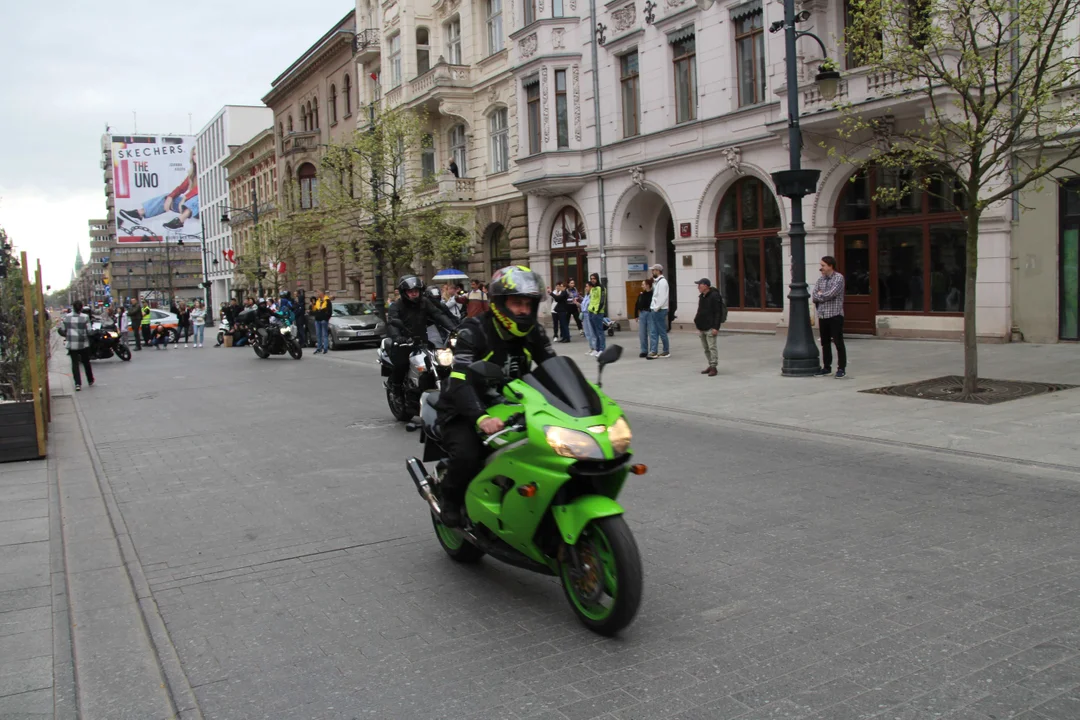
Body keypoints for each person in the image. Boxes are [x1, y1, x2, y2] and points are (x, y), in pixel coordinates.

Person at [435, 266, 556, 527]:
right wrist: (480, 418)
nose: (524, 310)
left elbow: (553, 369)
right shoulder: (474, 331)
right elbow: (459, 380)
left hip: (511, 407)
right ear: (500, 304)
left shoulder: (533, 331)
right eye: (517, 303)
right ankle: (450, 499)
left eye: (528, 304)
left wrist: (583, 401)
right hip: (464, 409)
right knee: (467, 455)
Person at [387, 276, 458, 394]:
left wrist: (454, 329)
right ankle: (396, 388)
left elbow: (438, 315)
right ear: (404, 293)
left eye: (416, 291)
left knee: (440, 362)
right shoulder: (396, 306)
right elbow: (392, 323)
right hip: (404, 342)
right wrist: (398, 338)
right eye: (410, 291)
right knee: (402, 364)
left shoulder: (425, 302)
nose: (414, 294)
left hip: (423, 340)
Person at [118, 146, 199, 231]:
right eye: (194, 154)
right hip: (191, 207)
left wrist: (186, 197)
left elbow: (201, 188)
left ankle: (180, 221)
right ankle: (139, 214)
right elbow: (181, 188)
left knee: (199, 198)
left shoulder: (210, 170)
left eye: (198, 154)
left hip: (203, 208)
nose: (196, 156)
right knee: (167, 197)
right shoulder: (193, 174)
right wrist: (170, 197)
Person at [813, 255, 847, 378]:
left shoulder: (838, 278)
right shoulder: (820, 280)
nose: (821, 269)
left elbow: (831, 294)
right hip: (822, 315)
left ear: (830, 266)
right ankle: (827, 367)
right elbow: (814, 295)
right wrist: (821, 295)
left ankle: (841, 368)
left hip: (835, 315)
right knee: (825, 343)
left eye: (823, 266)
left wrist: (821, 295)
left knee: (838, 342)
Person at [59, 301, 94, 391]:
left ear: (73, 307)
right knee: (86, 362)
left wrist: (67, 334)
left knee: (75, 364)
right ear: (81, 308)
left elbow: (62, 329)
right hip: (83, 343)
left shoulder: (67, 317)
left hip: (72, 343)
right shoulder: (85, 317)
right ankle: (90, 379)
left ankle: (78, 384)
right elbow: (89, 331)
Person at [693, 278, 725, 377]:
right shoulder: (702, 296)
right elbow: (700, 311)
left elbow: (718, 313)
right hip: (702, 326)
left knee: (712, 347)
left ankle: (714, 366)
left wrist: (716, 327)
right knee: (706, 348)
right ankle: (710, 364)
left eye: (700, 285)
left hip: (710, 326)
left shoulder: (714, 296)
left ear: (706, 286)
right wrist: (697, 323)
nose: (698, 287)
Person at [648, 264, 671, 359]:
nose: (652, 272)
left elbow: (662, 297)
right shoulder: (658, 282)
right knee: (657, 330)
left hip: (659, 309)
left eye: (653, 270)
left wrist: (656, 308)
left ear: (658, 271)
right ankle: (658, 350)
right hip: (658, 309)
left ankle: (660, 351)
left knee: (658, 331)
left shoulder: (662, 282)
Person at [586, 275, 606, 356]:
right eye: (591, 279)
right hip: (591, 311)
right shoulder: (592, 289)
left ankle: (602, 349)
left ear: (597, 279)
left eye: (594, 278)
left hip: (597, 312)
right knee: (594, 332)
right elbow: (591, 300)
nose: (592, 280)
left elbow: (602, 300)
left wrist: (597, 311)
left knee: (599, 331)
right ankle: (597, 349)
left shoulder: (601, 288)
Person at [636, 278, 654, 358]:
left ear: (647, 285)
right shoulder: (641, 294)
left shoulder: (653, 294)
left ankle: (652, 350)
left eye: (643, 284)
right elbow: (636, 305)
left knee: (651, 332)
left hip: (650, 313)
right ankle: (644, 350)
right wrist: (636, 315)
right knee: (642, 333)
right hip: (642, 313)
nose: (642, 286)